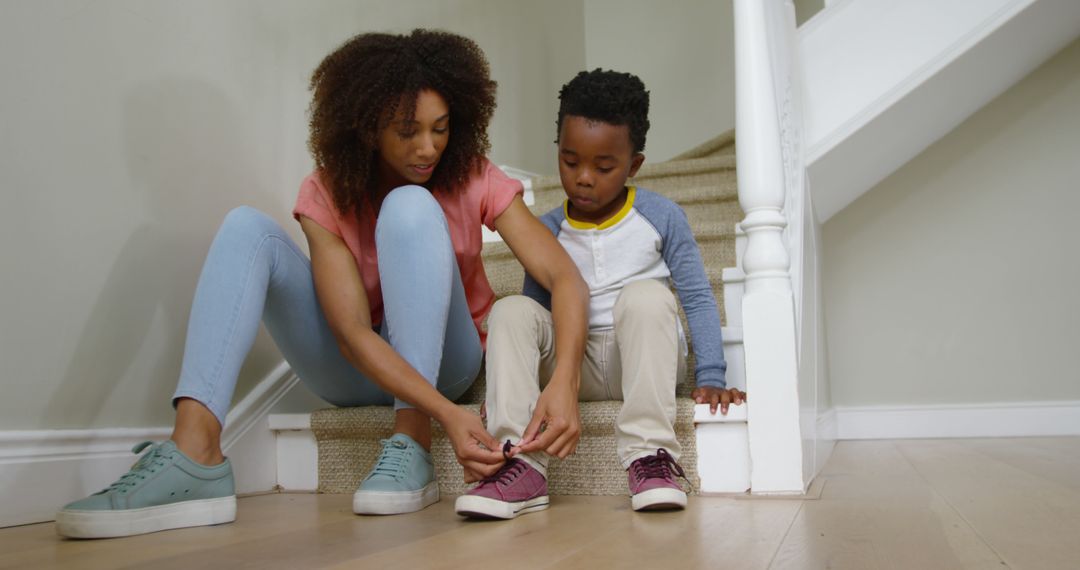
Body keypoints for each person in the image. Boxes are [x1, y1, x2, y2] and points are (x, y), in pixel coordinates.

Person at [55, 29, 588, 539]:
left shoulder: (470, 173)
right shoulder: (328, 190)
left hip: (448, 362)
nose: (428, 148)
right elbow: (352, 333)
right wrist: (453, 416)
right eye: (407, 131)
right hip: (354, 367)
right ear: (367, 126)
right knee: (247, 227)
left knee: (409, 204)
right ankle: (195, 450)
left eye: (441, 127)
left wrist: (562, 379)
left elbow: (562, 276)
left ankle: (412, 438)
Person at [454, 69, 746, 520]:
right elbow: (537, 316)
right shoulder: (547, 228)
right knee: (512, 309)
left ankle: (651, 457)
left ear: (633, 166)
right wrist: (505, 386)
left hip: (642, 354)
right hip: (577, 363)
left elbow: (697, 298)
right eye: (570, 162)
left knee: (647, 296)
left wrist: (710, 373)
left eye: (604, 167)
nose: (584, 178)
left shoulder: (662, 217)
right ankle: (520, 463)